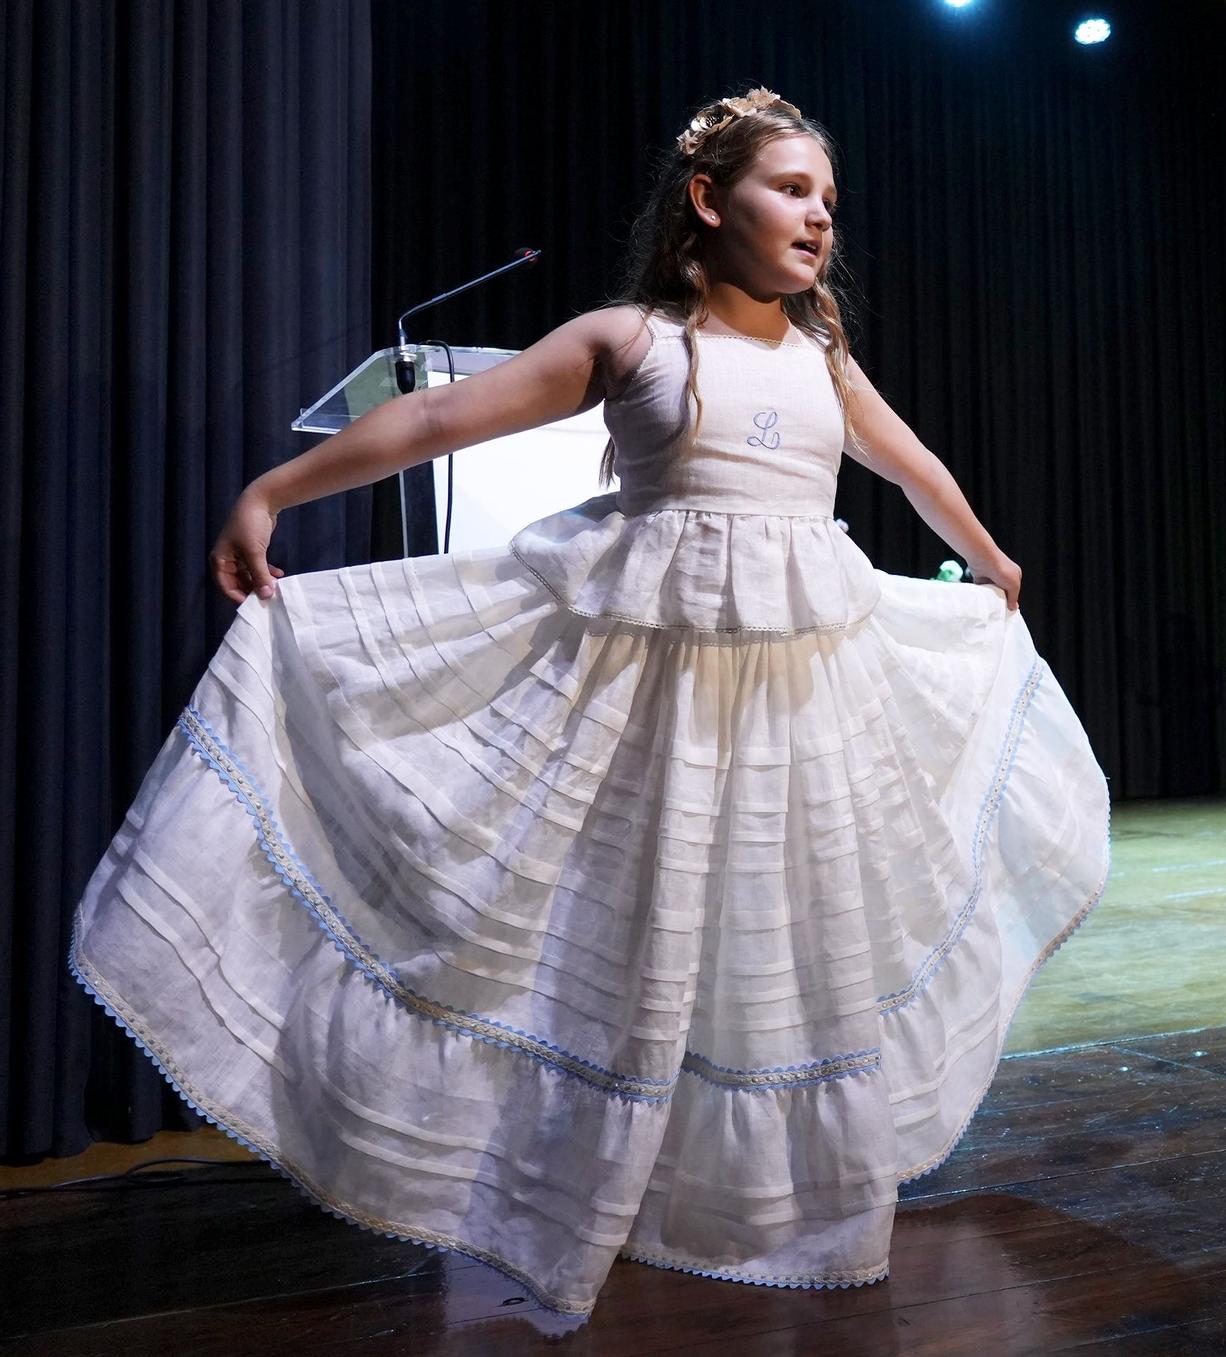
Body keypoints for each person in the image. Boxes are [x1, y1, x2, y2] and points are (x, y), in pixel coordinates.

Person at [68, 88, 1110, 1318]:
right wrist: (271, 491)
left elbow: (908, 460)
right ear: (707, 201)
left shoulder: (822, 359)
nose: (818, 217)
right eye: (789, 189)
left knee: (773, 932)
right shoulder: (632, 339)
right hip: (646, 707)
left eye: (828, 200)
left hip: (790, 705)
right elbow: (441, 414)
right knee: (632, 935)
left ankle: (760, 1194)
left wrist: (986, 556)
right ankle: (578, 1182)